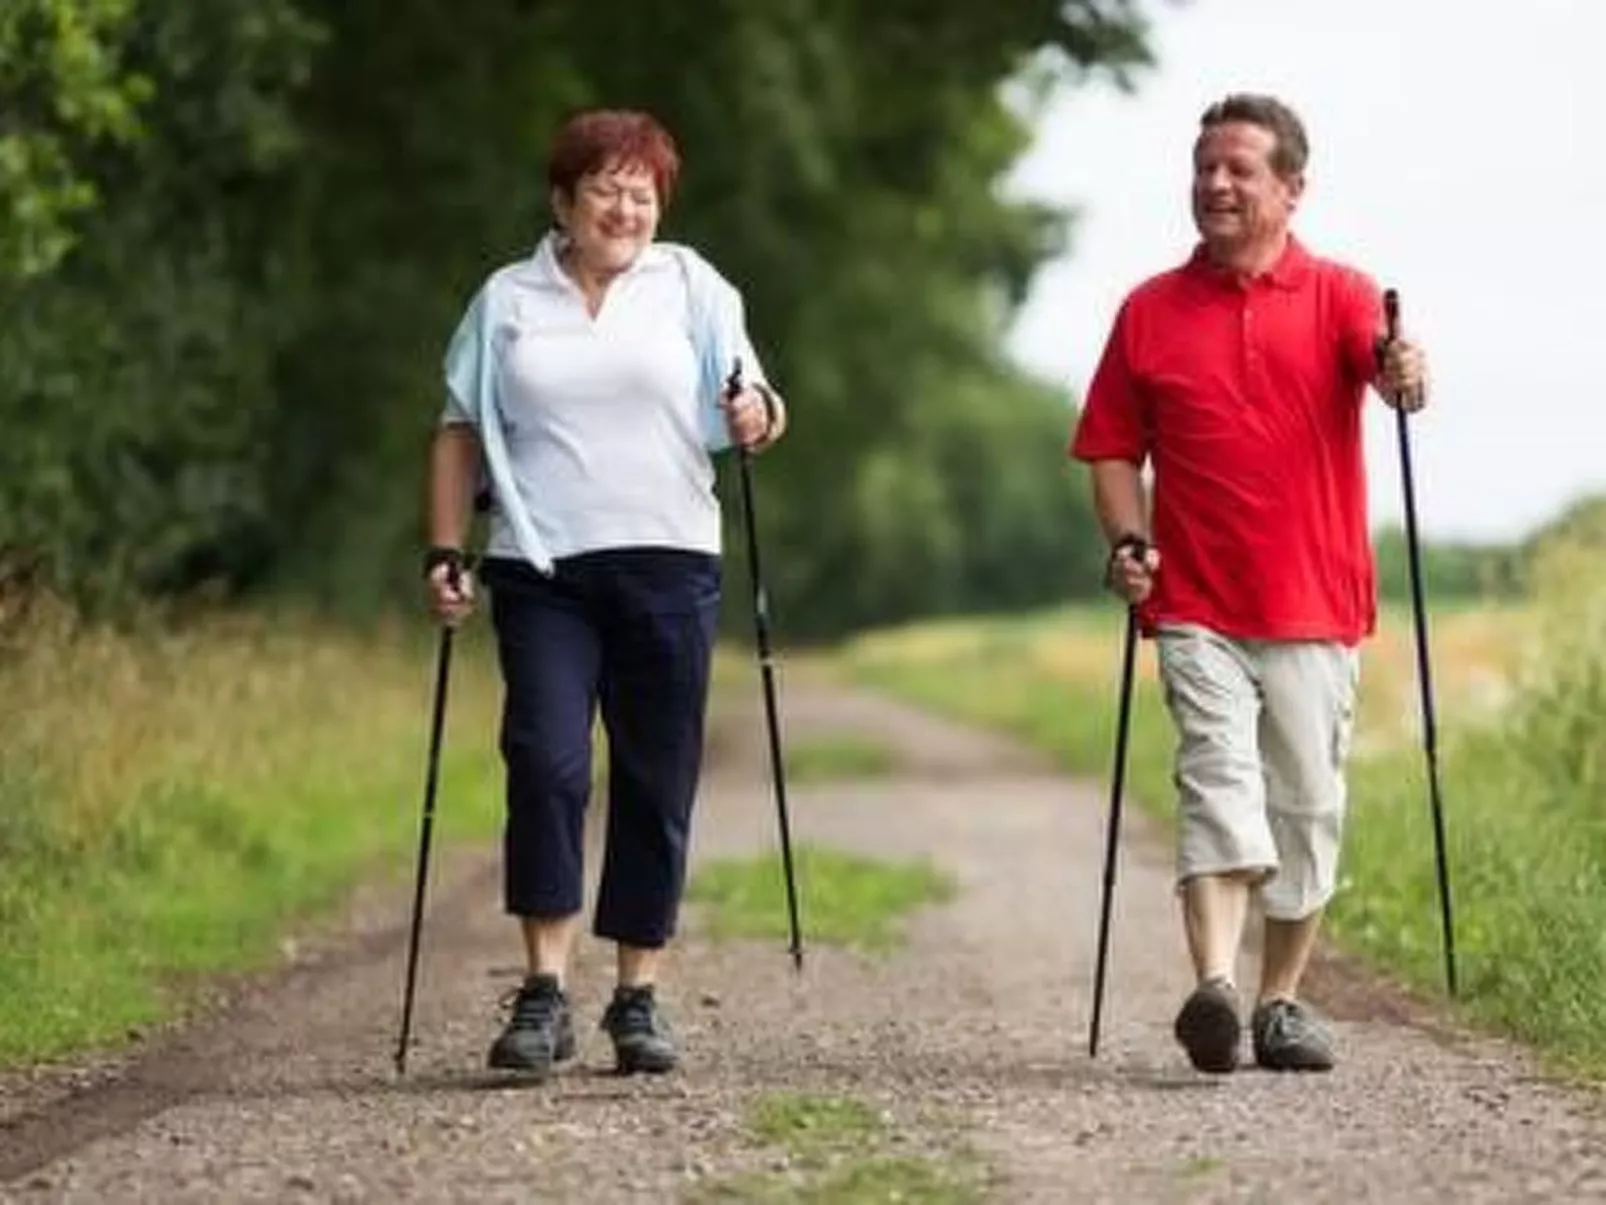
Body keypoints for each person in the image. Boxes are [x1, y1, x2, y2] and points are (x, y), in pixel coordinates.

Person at [423, 108, 787, 1080]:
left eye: (644, 192)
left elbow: (757, 404)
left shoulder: (692, 285)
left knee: (654, 773)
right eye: (606, 189)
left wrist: (755, 411)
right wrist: (444, 548)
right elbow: (458, 429)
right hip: (542, 565)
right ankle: (544, 991)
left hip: (670, 559)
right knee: (544, 758)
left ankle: (638, 993)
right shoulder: (506, 301)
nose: (627, 208)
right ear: (562, 201)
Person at [1070, 93, 1428, 1075]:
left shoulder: (1343, 293)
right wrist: (1131, 539)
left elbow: (1393, 375)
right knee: (1216, 780)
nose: (1216, 184)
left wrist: (1404, 371)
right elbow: (1108, 448)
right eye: (1204, 169)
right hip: (1192, 600)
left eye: (1238, 170)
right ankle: (1216, 991)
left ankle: (1279, 1002)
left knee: (1307, 804)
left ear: (1290, 188)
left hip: (1315, 601)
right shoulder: (1148, 310)